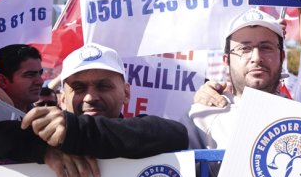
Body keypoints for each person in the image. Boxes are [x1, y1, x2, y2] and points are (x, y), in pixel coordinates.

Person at [182, 8, 301, 149]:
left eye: (266, 47)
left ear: (282, 57)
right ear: (226, 60)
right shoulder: (200, 118)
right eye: (244, 49)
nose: (256, 58)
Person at [21, 43, 189, 158]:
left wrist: (76, 131)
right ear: (62, 99)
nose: (90, 97)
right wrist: (45, 152)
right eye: (78, 88)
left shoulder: (152, 134)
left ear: (126, 93)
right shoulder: (40, 143)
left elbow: (175, 134)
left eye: (103, 86)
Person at [0, 45, 45, 112]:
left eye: (40, 73)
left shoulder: (43, 118)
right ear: (3, 81)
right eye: (30, 75)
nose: (40, 81)